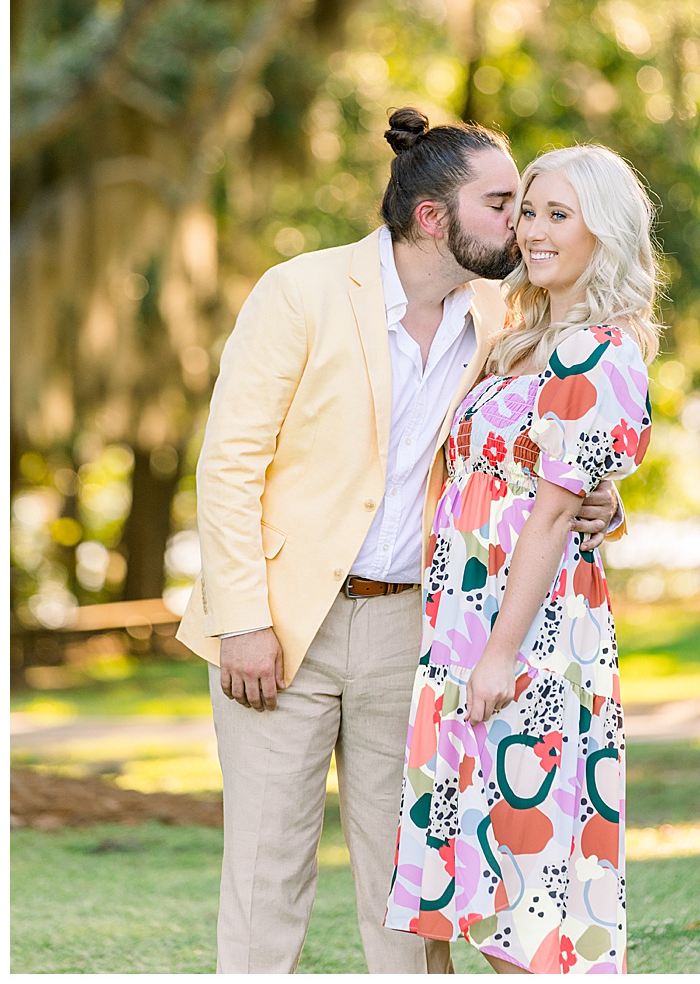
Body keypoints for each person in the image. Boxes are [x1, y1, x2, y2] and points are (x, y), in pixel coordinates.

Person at [175, 108, 622, 973]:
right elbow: (227, 467)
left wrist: (603, 500)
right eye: (504, 204)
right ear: (432, 218)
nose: (523, 223)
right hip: (279, 626)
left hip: (416, 631)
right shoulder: (299, 292)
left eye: (531, 206)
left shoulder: (502, 317)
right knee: (266, 877)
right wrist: (242, 621)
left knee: (414, 891)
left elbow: (549, 445)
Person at [386, 145, 659, 973]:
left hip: (528, 639)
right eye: (526, 212)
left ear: (602, 234)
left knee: (525, 893)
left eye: (556, 216)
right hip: (461, 630)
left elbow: (547, 517)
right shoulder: (519, 340)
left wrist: (500, 654)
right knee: (468, 882)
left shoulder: (601, 350)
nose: (531, 233)